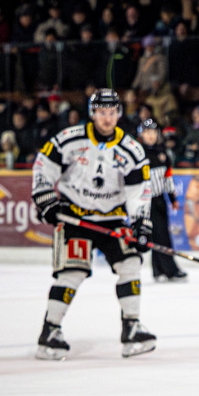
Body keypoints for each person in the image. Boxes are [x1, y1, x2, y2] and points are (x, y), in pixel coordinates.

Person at [31, 89, 156, 361]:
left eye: (112, 112)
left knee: (130, 263)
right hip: (75, 217)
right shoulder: (70, 139)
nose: (107, 118)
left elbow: (139, 192)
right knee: (71, 273)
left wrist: (141, 224)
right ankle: (50, 330)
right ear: (93, 113)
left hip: (112, 219)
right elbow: (43, 165)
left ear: (119, 114)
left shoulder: (132, 149)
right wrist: (45, 199)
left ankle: (132, 326)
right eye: (101, 112)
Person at [137, 119, 186, 282]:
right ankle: (168, 269)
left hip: (159, 199)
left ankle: (160, 270)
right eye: (147, 132)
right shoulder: (138, 154)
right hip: (144, 201)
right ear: (141, 134)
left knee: (162, 234)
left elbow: (167, 178)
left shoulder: (163, 152)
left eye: (153, 132)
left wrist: (172, 198)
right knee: (157, 235)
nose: (150, 136)